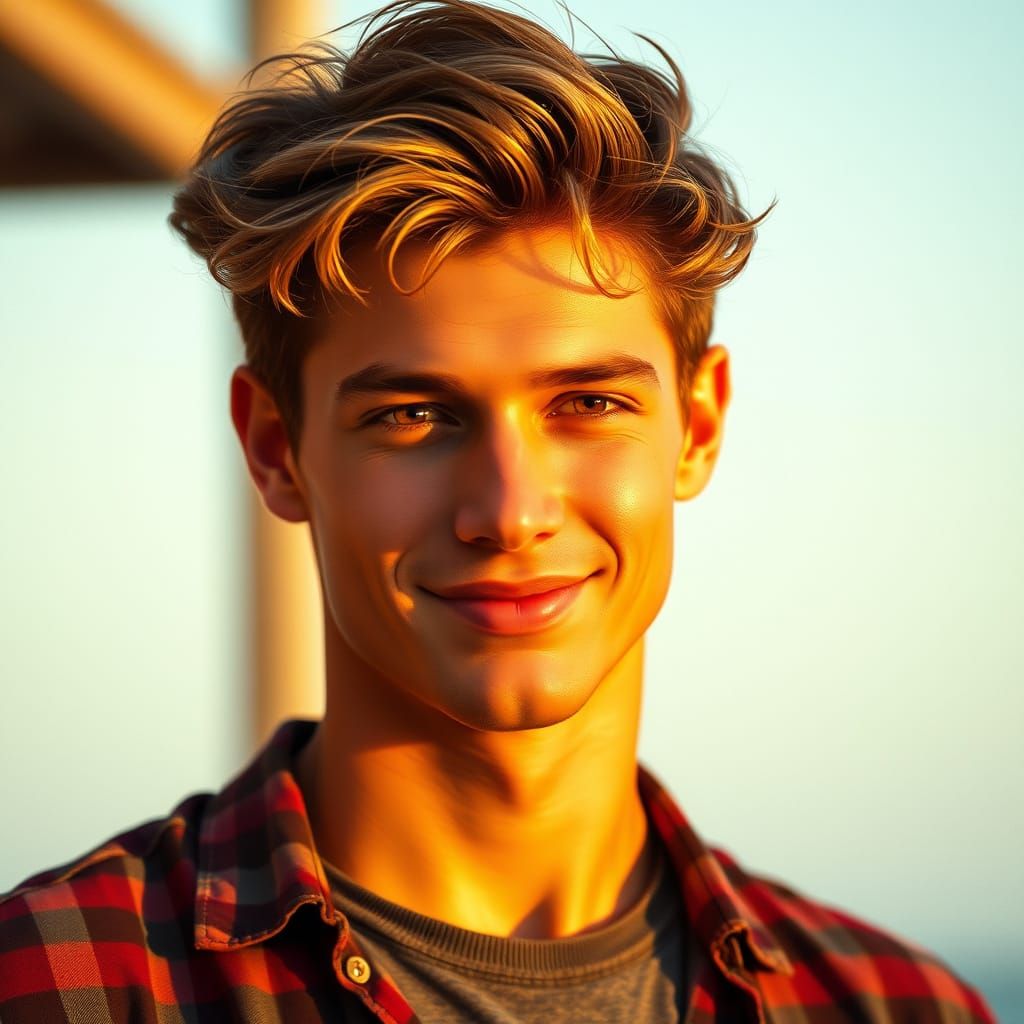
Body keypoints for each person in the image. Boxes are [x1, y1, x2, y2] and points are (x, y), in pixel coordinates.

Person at [0, 1, 996, 1021]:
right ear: (273, 449)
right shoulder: (55, 986)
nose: (511, 512)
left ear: (697, 426)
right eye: (413, 415)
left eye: (588, 404)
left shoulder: (901, 1007)